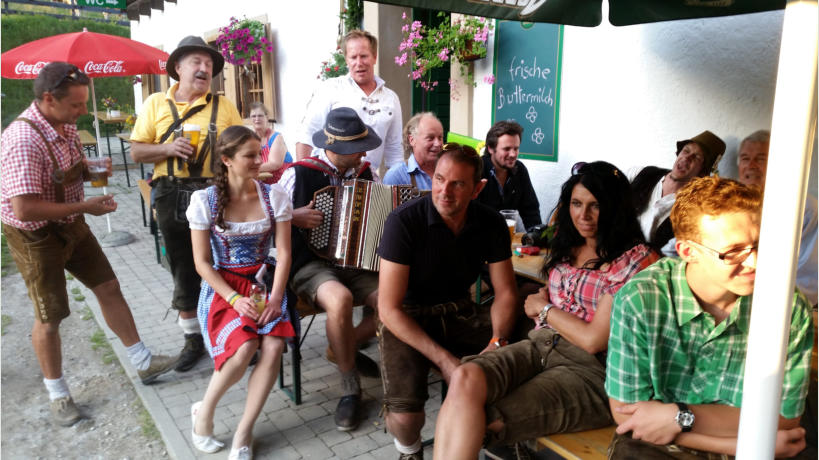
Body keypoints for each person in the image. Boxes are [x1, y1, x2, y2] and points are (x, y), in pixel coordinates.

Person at [433, 161, 659, 460]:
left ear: (616, 207)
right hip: (541, 344)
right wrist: (547, 301)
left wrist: (544, 308)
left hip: (591, 370)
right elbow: (563, 296)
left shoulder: (635, 259)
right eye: (576, 204)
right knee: (464, 378)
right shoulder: (569, 244)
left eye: (595, 205)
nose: (583, 215)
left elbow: (594, 340)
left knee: (485, 417)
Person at [0, 62, 178, 427]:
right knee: (50, 316)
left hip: (71, 223)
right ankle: (58, 394)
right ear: (48, 99)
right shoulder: (21, 140)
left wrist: (92, 169)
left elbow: (72, 168)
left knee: (108, 286)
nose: (82, 111)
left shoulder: (65, 125)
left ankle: (143, 362)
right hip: (35, 235)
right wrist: (85, 206)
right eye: (76, 105)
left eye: (84, 103)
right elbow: (24, 207)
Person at [606, 176, 814, 458]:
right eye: (734, 251)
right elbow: (627, 416)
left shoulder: (787, 308)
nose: (755, 261)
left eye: (759, 244)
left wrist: (678, 417)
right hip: (661, 446)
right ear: (688, 252)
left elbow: (784, 419)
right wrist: (740, 444)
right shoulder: (641, 298)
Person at [377, 143, 519, 460]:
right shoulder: (404, 221)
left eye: (458, 184)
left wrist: (497, 341)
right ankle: (410, 450)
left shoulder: (490, 222)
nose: (444, 191)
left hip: (459, 311)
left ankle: (496, 433)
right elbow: (388, 309)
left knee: (519, 350)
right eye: (439, 179)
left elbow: (506, 292)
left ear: (477, 189)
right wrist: (445, 361)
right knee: (406, 418)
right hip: (407, 317)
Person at [130, 36, 244, 372]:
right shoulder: (155, 103)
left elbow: (242, 146)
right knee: (183, 266)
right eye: (197, 62)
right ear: (178, 68)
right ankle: (193, 339)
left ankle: (232, 333)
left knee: (226, 263)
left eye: (208, 64)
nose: (204, 68)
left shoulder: (224, 106)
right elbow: (136, 151)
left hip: (215, 192)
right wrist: (167, 149)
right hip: (171, 192)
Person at [187, 125, 294, 459]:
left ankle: (244, 432)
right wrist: (234, 299)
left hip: (264, 284)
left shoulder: (274, 195)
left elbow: (284, 253)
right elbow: (202, 263)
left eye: (259, 153)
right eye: (250, 156)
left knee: (274, 346)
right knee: (245, 346)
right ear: (227, 160)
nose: (259, 161)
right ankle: (204, 413)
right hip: (224, 288)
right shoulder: (205, 201)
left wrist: (275, 298)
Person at [279, 107, 382, 431]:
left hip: (355, 262)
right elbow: (264, 217)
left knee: (393, 298)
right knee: (340, 300)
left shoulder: (366, 173)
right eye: (357, 149)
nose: (363, 154)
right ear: (336, 148)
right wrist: (292, 216)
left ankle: (342, 346)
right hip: (309, 264)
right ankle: (350, 389)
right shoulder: (298, 173)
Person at [295, 29, 403, 174]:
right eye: (353, 57)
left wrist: (398, 181)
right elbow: (307, 134)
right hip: (326, 176)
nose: (359, 63)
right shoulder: (331, 88)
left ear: (374, 57)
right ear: (346, 59)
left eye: (364, 56)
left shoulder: (391, 98)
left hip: (366, 178)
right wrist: (303, 175)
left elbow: (394, 149)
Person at [737, 129, 817, 305]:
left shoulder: (806, 209)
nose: (751, 166)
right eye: (745, 159)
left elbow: (809, 277)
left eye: (761, 159)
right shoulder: (728, 204)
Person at [630, 130, 725, 255]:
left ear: (703, 172)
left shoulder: (694, 209)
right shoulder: (639, 173)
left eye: (696, 157)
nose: (687, 157)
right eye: (686, 151)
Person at [475, 120, 541, 230]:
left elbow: (531, 211)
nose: (513, 154)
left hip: (508, 235)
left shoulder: (520, 170)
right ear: (490, 148)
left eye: (516, 148)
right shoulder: (477, 170)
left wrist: (535, 235)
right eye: (506, 149)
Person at [383, 112, 443, 190]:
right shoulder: (396, 176)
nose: (438, 144)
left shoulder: (449, 170)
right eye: (430, 138)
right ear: (412, 140)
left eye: (440, 138)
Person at [248, 101, 292, 184]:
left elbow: (274, 164)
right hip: (263, 182)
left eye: (260, 116)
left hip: (282, 183)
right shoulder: (251, 139)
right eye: (253, 116)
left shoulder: (276, 137)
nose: (257, 119)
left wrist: (248, 169)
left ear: (267, 117)